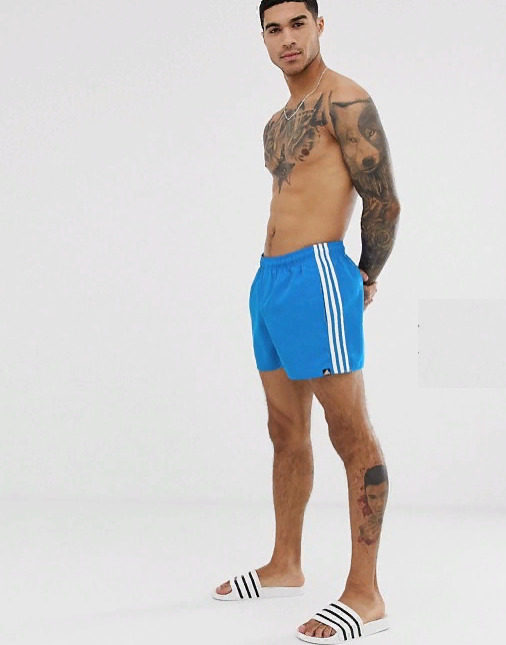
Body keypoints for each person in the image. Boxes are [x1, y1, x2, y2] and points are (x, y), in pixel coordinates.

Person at [213, 1, 401, 641]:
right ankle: (285, 564)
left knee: (350, 434)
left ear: (320, 26)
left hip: (319, 273)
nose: (287, 38)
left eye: (298, 24)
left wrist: (366, 273)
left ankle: (366, 593)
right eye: (274, 28)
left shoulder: (345, 100)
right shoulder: (277, 121)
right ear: (263, 39)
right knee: (284, 429)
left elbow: (383, 198)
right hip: (270, 280)